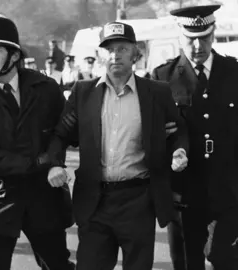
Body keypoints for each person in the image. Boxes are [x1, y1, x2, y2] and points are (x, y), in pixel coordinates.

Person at [46, 21, 189, 270]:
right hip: (94, 201)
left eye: (123, 49)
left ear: (135, 54)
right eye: (109, 49)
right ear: (101, 55)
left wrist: (179, 151)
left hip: (138, 201)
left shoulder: (157, 93)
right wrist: (55, 164)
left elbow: (178, 132)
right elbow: (61, 134)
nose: (115, 55)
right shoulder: (83, 93)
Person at [151, 5, 238, 270]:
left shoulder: (237, 72)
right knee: (188, 262)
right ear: (180, 35)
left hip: (228, 187)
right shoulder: (162, 77)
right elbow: (153, 135)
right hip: (184, 190)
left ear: (214, 34)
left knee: (224, 258)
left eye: (204, 37)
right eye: (191, 38)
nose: (198, 45)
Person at [0, 15, 74, 270]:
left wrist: (54, 160)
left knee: (58, 265)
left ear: (13, 55)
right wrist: (38, 163)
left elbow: (64, 131)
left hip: (43, 193)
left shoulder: (46, 88)